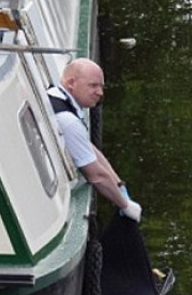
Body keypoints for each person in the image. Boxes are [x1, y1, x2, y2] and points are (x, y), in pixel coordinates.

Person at [47, 58, 142, 222]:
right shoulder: (67, 121)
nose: (100, 92)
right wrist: (125, 206)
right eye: (93, 86)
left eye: (101, 86)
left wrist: (119, 185)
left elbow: (89, 148)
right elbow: (96, 176)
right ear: (71, 83)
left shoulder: (57, 96)